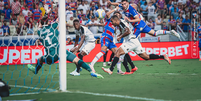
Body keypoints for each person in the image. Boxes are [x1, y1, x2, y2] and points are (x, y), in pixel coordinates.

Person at [27, 17, 103, 79]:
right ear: (48, 23)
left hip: (51, 56)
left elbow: (41, 27)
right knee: (77, 60)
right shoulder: (53, 27)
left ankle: (36, 70)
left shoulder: (39, 32)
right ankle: (91, 71)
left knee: (40, 59)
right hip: (61, 51)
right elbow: (57, 20)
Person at [102, 15, 172, 75]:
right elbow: (126, 31)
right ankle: (163, 56)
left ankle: (110, 70)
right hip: (135, 41)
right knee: (146, 57)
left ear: (116, 20)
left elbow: (128, 31)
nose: (111, 23)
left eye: (112, 21)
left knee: (117, 52)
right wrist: (120, 35)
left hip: (131, 41)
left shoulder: (121, 23)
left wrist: (120, 36)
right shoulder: (120, 23)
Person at [89, 7, 132, 75]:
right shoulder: (110, 20)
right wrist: (115, 9)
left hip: (111, 40)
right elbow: (107, 14)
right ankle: (91, 64)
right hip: (105, 36)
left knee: (118, 53)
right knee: (103, 51)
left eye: (119, 15)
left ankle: (119, 70)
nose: (118, 16)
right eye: (116, 15)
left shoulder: (116, 24)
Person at [108, 0, 180, 39]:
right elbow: (117, 4)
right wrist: (111, 3)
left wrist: (129, 20)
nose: (123, 5)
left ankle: (122, 58)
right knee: (154, 34)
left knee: (131, 39)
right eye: (122, 4)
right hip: (141, 24)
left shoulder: (131, 10)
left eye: (124, 4)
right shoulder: (123, 6)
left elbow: (138, 19)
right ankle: (170, 32)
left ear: (127, 3)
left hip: (138, 25)